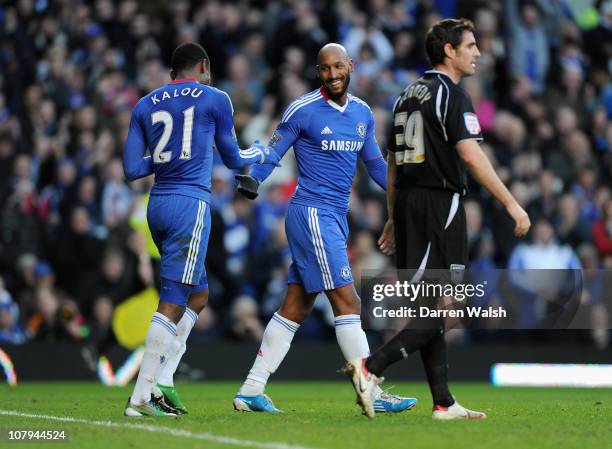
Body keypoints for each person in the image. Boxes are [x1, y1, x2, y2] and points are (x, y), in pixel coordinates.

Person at [343, 19, 531, 419]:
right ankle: (370, 367)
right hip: (439, 204)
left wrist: (393, 216)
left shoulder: (405, 96)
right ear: (449, 50)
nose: (477, 53)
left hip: (410, 204)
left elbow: (393, 164)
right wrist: (512, 204)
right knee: (449, 306)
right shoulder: (451, 94)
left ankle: (443, 402)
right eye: (471, 45)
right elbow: (470, 154)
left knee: (429, 306)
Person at [232, 43, 416, 414]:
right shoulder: (302, 109)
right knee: (347, 301)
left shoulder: (362, 113)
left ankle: (251, 390)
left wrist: (407, 192)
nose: (332, 74)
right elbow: (274, 149)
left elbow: (376, 166)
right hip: (311, 213)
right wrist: (254, 179)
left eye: (338, 67)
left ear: (350, 66)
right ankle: (371, 390)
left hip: (333, 217)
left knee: (295, 307)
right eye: (325, 69)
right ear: (318, 72)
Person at [122, 42, 280, 417]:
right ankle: (141, 397)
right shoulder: (214, 98)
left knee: (198, 295)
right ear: (204, 65)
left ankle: (165, 379)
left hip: (157, 205)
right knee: (175, 297)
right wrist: (258, 152)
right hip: (190, 204)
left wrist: (168, 156)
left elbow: (131, 169)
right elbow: (232, 158)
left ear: (172, 71)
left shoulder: (145, 104)